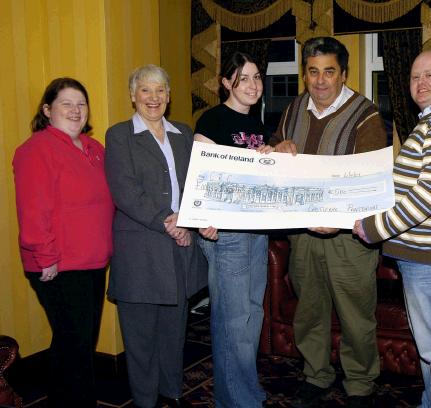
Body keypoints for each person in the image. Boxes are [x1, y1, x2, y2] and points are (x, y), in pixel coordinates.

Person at [270, 36, 387, 408]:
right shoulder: (292, 110)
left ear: (344, 74)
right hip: (303, 234)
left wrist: (336, 220)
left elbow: (370, 181)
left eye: (329, 72)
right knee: (310, 310)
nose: (320, 81)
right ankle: (316, 374)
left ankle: (360, 383)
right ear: (305, 74)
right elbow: (274, 157)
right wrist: (276, 149)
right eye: (313, 72)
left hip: (349, 237)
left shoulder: (365, 114)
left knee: (355, 314)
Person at [353, 49, 431, 408]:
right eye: (415, 76)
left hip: (428, 260)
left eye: (430, 75)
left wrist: (374, 228)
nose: (420, 83)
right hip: (422, 259)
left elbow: (427, 197)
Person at [104, 64, 207, 408]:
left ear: (169, 96)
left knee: (174, 331)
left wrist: (196, 219)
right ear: (133, 95)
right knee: (141, 335)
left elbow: (199, 183)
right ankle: (146, 401)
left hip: (181, 246)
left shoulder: (184, 133)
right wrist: (168, 221)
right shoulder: (119, 136)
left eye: (160, 90)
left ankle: (173, 392)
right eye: (145, 90)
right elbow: (125, 191)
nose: (153, 97)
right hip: (141, 250)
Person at [13, 77, 114, 408]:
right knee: (76, 348)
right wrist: (46, 256)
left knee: (76, 346)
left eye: (81, 103)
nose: (75, 110)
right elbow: (33, 209)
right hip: (58, 265)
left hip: (93, 261)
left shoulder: (94, 149)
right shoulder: (36, 149)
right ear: (47, 110)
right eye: (66, 104)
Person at [193, 51, 273, 408]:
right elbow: (202, 178)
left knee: (252, 315)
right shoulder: (212, 121)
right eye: (244, 78)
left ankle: (246, 390)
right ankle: (235, 401)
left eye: (257, 77)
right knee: (232, 321)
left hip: (256, 230)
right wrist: (205, 217)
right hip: (226, 233)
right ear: (226, 83)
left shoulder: (258, 125)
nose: (253, 85)